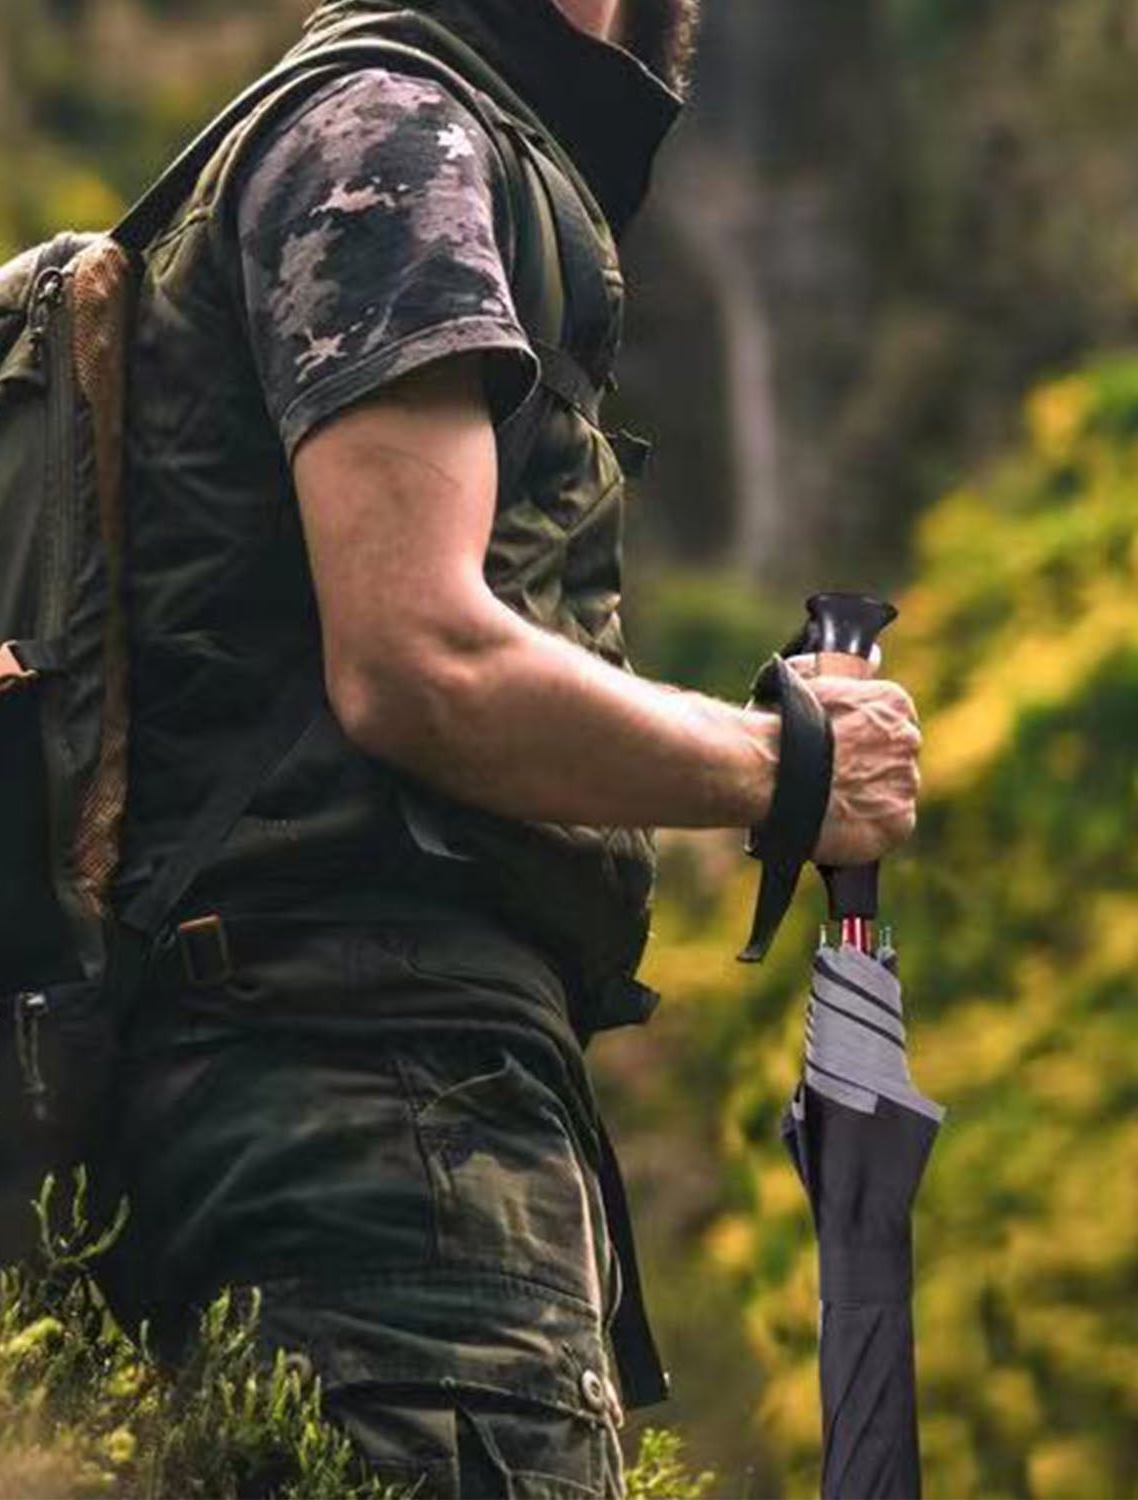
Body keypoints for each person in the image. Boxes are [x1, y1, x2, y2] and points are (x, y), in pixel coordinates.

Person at [101, 0, 923, 1495]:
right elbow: (416, 662)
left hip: (349, 1121)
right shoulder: (401, 137)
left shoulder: (421, 132)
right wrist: (786, 766)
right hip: (375, 1147)